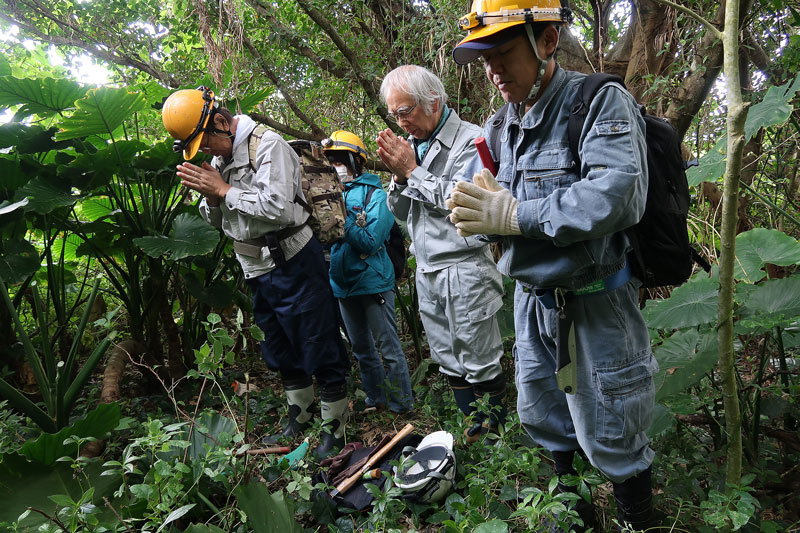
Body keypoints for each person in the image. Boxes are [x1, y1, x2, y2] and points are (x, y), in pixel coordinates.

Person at [446, 1, 658, 531]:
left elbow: (618, 195)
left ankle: (639, 520)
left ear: (547, 40)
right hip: (532, 304)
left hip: (596, 302)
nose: (492, 71)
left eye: (503, 53)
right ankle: (578, 518)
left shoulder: (597, 100)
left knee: (615, 429)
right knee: (547, 420)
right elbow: (479, 199)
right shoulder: (498, 128)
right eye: (484, 58)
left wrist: (517, 214)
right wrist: (475, 213)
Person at [162, 86, 350, 458]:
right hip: (256, 267)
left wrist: (225, 191)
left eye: (206, 142)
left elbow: (278, 208)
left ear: (220, 121)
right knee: (278, 344)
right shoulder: (220, 161)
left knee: (319, 340)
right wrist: (214, 198)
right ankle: (301, 413)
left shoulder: (268, 145)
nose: (208, 152)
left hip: (295, 258)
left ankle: (335, 429)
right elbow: (220, 219)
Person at [376, 65, 507, 442]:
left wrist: (412, 171)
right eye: (394, 114)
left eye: (406, 111)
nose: (401, 123)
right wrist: (401, 178)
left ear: (433, 102)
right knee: (447, 357)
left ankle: (494, 438)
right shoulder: (414, 146)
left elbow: (465, 202)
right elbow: (402, 214)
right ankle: (472, 431)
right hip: (428, 268)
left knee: (479, 358)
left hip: (465, 267)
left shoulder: (471, 140)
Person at [322, 130, 414, 414]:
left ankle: (401, 405)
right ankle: (377, 400)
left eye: (340, 160)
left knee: (390, 350)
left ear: (354, 161)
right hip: (342, 283)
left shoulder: (377, 194)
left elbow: (372, 240)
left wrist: (342, 218)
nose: (336, 167)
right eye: (331, 161)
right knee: (362, 351)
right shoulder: (328, 194)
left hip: (374, 282)